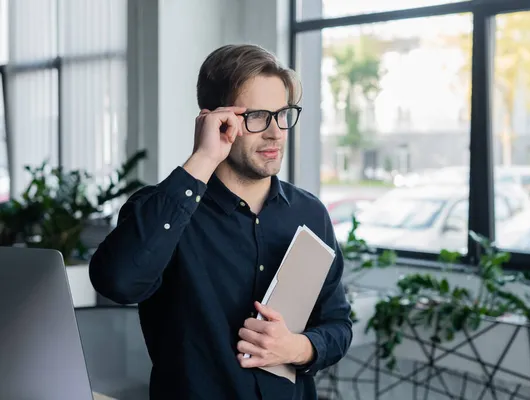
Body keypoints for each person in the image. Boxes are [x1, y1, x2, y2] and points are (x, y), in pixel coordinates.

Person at [89, 44, 353, 400]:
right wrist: (203, 157)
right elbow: (117, 283)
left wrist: (297, 348)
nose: (276, 132)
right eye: (258, 116)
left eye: (283, 114)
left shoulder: (310, 213)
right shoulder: (162, 211)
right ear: (216, 119)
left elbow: (337, 325)